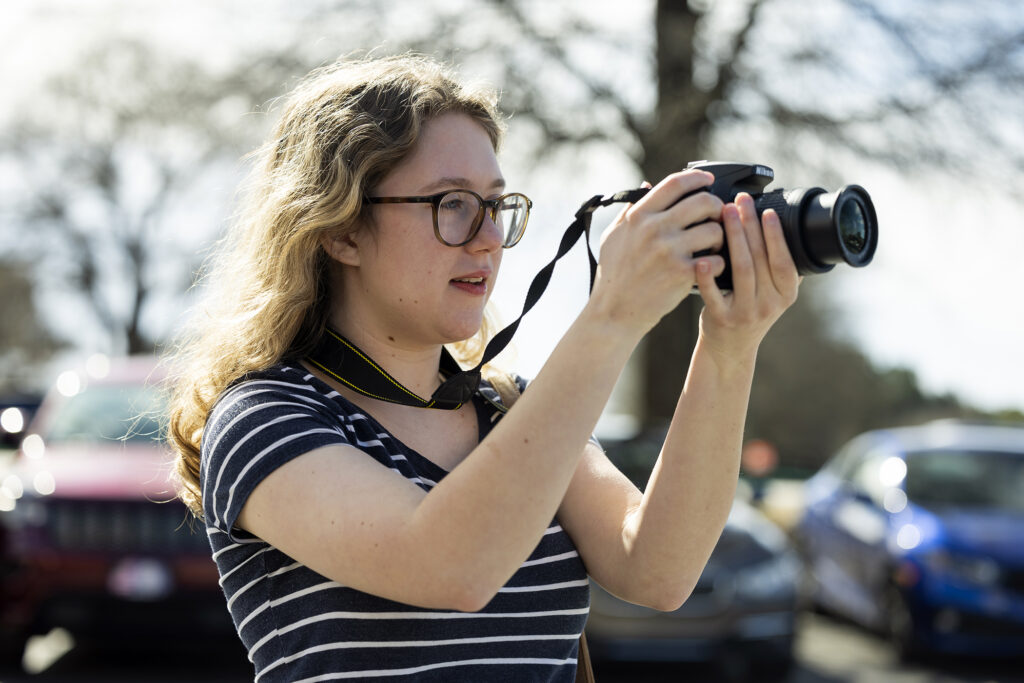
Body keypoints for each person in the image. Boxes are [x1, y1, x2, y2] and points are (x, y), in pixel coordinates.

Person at [167, 53, 799, 682]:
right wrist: (611, 316)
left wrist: (730, 344)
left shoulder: (512, 410)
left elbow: (656, 569)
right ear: (342, 231)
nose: (488, 237)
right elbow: (449, 564)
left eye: (495, 206)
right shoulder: (265, 418)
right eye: (452, 204)